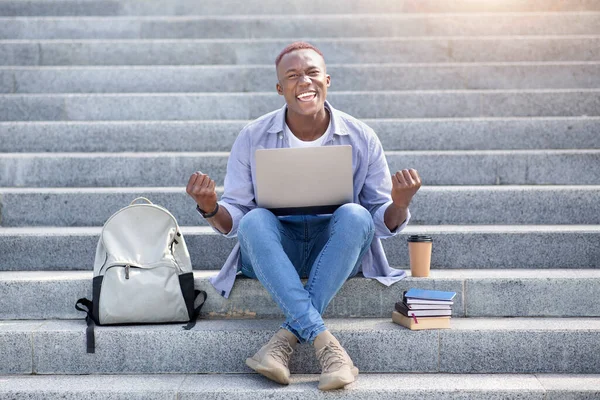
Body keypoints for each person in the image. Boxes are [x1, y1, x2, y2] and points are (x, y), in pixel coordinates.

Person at [186, 41, 422, 390]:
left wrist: (399, 203)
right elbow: (235, 222)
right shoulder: (252, 136)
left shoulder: (362, 137)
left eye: (312, 73)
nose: (304, 82)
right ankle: (328, 348)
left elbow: (376, 222)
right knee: (255, 220)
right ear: (280, 88)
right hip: (275, 250)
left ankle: (281, 344)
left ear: (327, 79)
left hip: (336, 249)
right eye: (293, 76)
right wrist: (210, 207)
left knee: (356, 215)